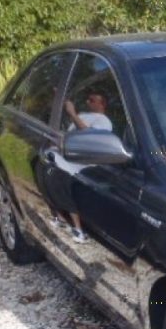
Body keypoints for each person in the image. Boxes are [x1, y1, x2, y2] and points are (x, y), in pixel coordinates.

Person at [50, 91, 112, 243]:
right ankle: (60, 216)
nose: (88, 102)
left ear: (102, 104)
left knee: (61, 176)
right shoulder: (85, 115)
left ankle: (78, 229)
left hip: (82, 163)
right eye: (88, 99)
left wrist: (72, 113)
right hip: (65, 155)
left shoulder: (104, 121)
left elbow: (91, 136)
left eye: (92, 100)